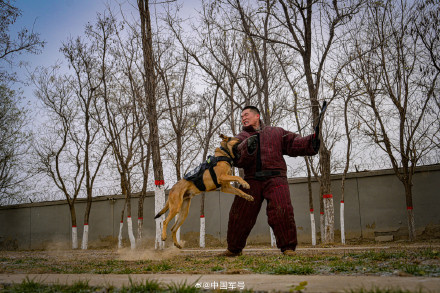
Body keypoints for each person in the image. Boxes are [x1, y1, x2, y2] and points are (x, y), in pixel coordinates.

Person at [224, 105, 320, 256]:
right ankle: (233, 249)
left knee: (282, 210)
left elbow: (295, 143)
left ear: (257, 116)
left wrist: (312, 140)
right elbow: (237, 158)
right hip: (251, 180)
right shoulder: (240, 137)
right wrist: (245, 148)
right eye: (242, 116)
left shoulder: (277, 132)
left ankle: (288, 248)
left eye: (246, 114)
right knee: (239, 213)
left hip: (276, 178)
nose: (243, 118)